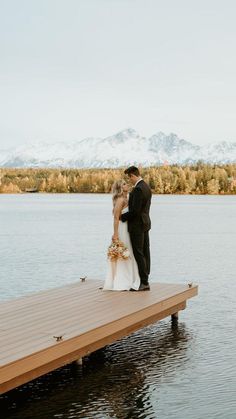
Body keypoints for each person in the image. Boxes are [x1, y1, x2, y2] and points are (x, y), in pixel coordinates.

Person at [103, 179, 140, 291]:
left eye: (126, 183)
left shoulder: (127, 198)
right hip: (121, 229)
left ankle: (130, 279)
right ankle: (122, 281)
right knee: (123, 253)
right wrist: (115, 234)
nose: (126, 185)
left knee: (128, 253)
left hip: (127, 228)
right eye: (124, 184)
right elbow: (116, 218)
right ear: (120, 188)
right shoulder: (120, 200)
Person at [121, 166, 152, 291]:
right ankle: (145, 279)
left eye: (130, 178)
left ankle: (144, 282)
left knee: (139, 253)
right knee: (145, 252)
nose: (130, 181)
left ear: (133, 175)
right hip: (145, 223)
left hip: (137, 225)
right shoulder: (146, 186)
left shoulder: (138, 189)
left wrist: (121, 217)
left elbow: (135, 211)